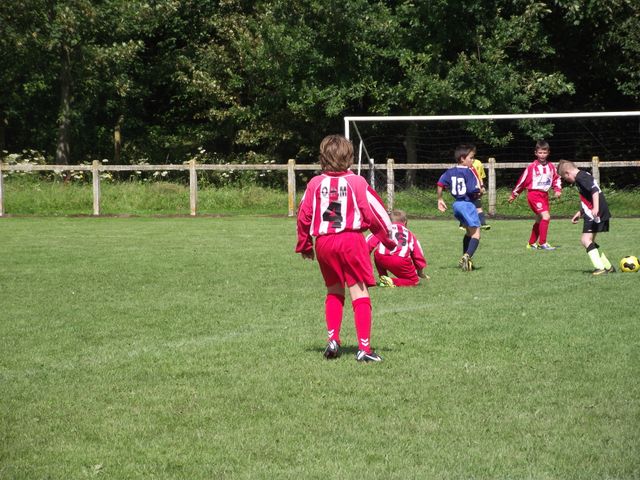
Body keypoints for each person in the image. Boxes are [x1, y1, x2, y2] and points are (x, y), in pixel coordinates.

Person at [296, 134, 397, 362]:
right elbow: (376, 212)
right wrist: (388, 239)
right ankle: (364, 349)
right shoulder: (357, 182)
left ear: (322, 158)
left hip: (324, 242)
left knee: (334, 290)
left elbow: (303, 215)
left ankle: (333, 339)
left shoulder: (314, 184)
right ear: (349, 157)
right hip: (351, 240)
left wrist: (305, 244)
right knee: (359, 292)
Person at [557, 159, 615, 275]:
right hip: (595, 211)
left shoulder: (580, 177)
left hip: (595, 213)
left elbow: (594, 191)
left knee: (585, 240)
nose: (566, 180)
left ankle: (600, 268)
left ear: (567, 173)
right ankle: (608, 266)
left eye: (564, 178)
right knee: (590, 241)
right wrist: (580, 212)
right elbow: (588, 197)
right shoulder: (583, 175)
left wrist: (596, 208)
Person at [508, 140, 562, 250]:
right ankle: (543, 243)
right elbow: (522, 181)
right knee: (546, 217)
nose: (542, 155)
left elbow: (556, 179)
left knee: (539, 219)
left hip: (544, 195)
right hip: (534, 194)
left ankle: (531, 243)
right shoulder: (531, 167)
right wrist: (514, 194)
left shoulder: (551, 166)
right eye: (540, 153)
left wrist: (557, 189)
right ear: (536, 153)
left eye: (544, 152)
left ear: (548, 153)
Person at [437, 144, 482, 272]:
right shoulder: (469, 172)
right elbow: (473, 190)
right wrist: (480, 192)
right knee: (476, 235)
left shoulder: (450, 172)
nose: (473, 160)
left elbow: (440, 183)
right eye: (471, 158)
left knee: (468, 232)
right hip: (468, 205)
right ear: (462, 158)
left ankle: (464, 259)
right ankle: (467, 256)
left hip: (457, 206)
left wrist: (440, 199)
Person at [366, 209, 428, 287]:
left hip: (381, 257)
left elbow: (368, 242)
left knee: (377, 253)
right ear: (405, 222)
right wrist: (420, 271)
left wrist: (363, 257)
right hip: (400, 260)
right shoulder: (410, 234)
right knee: (414, 281)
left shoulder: (384, 229)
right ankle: (391, 281)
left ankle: (383, 276)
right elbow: (418, 254)